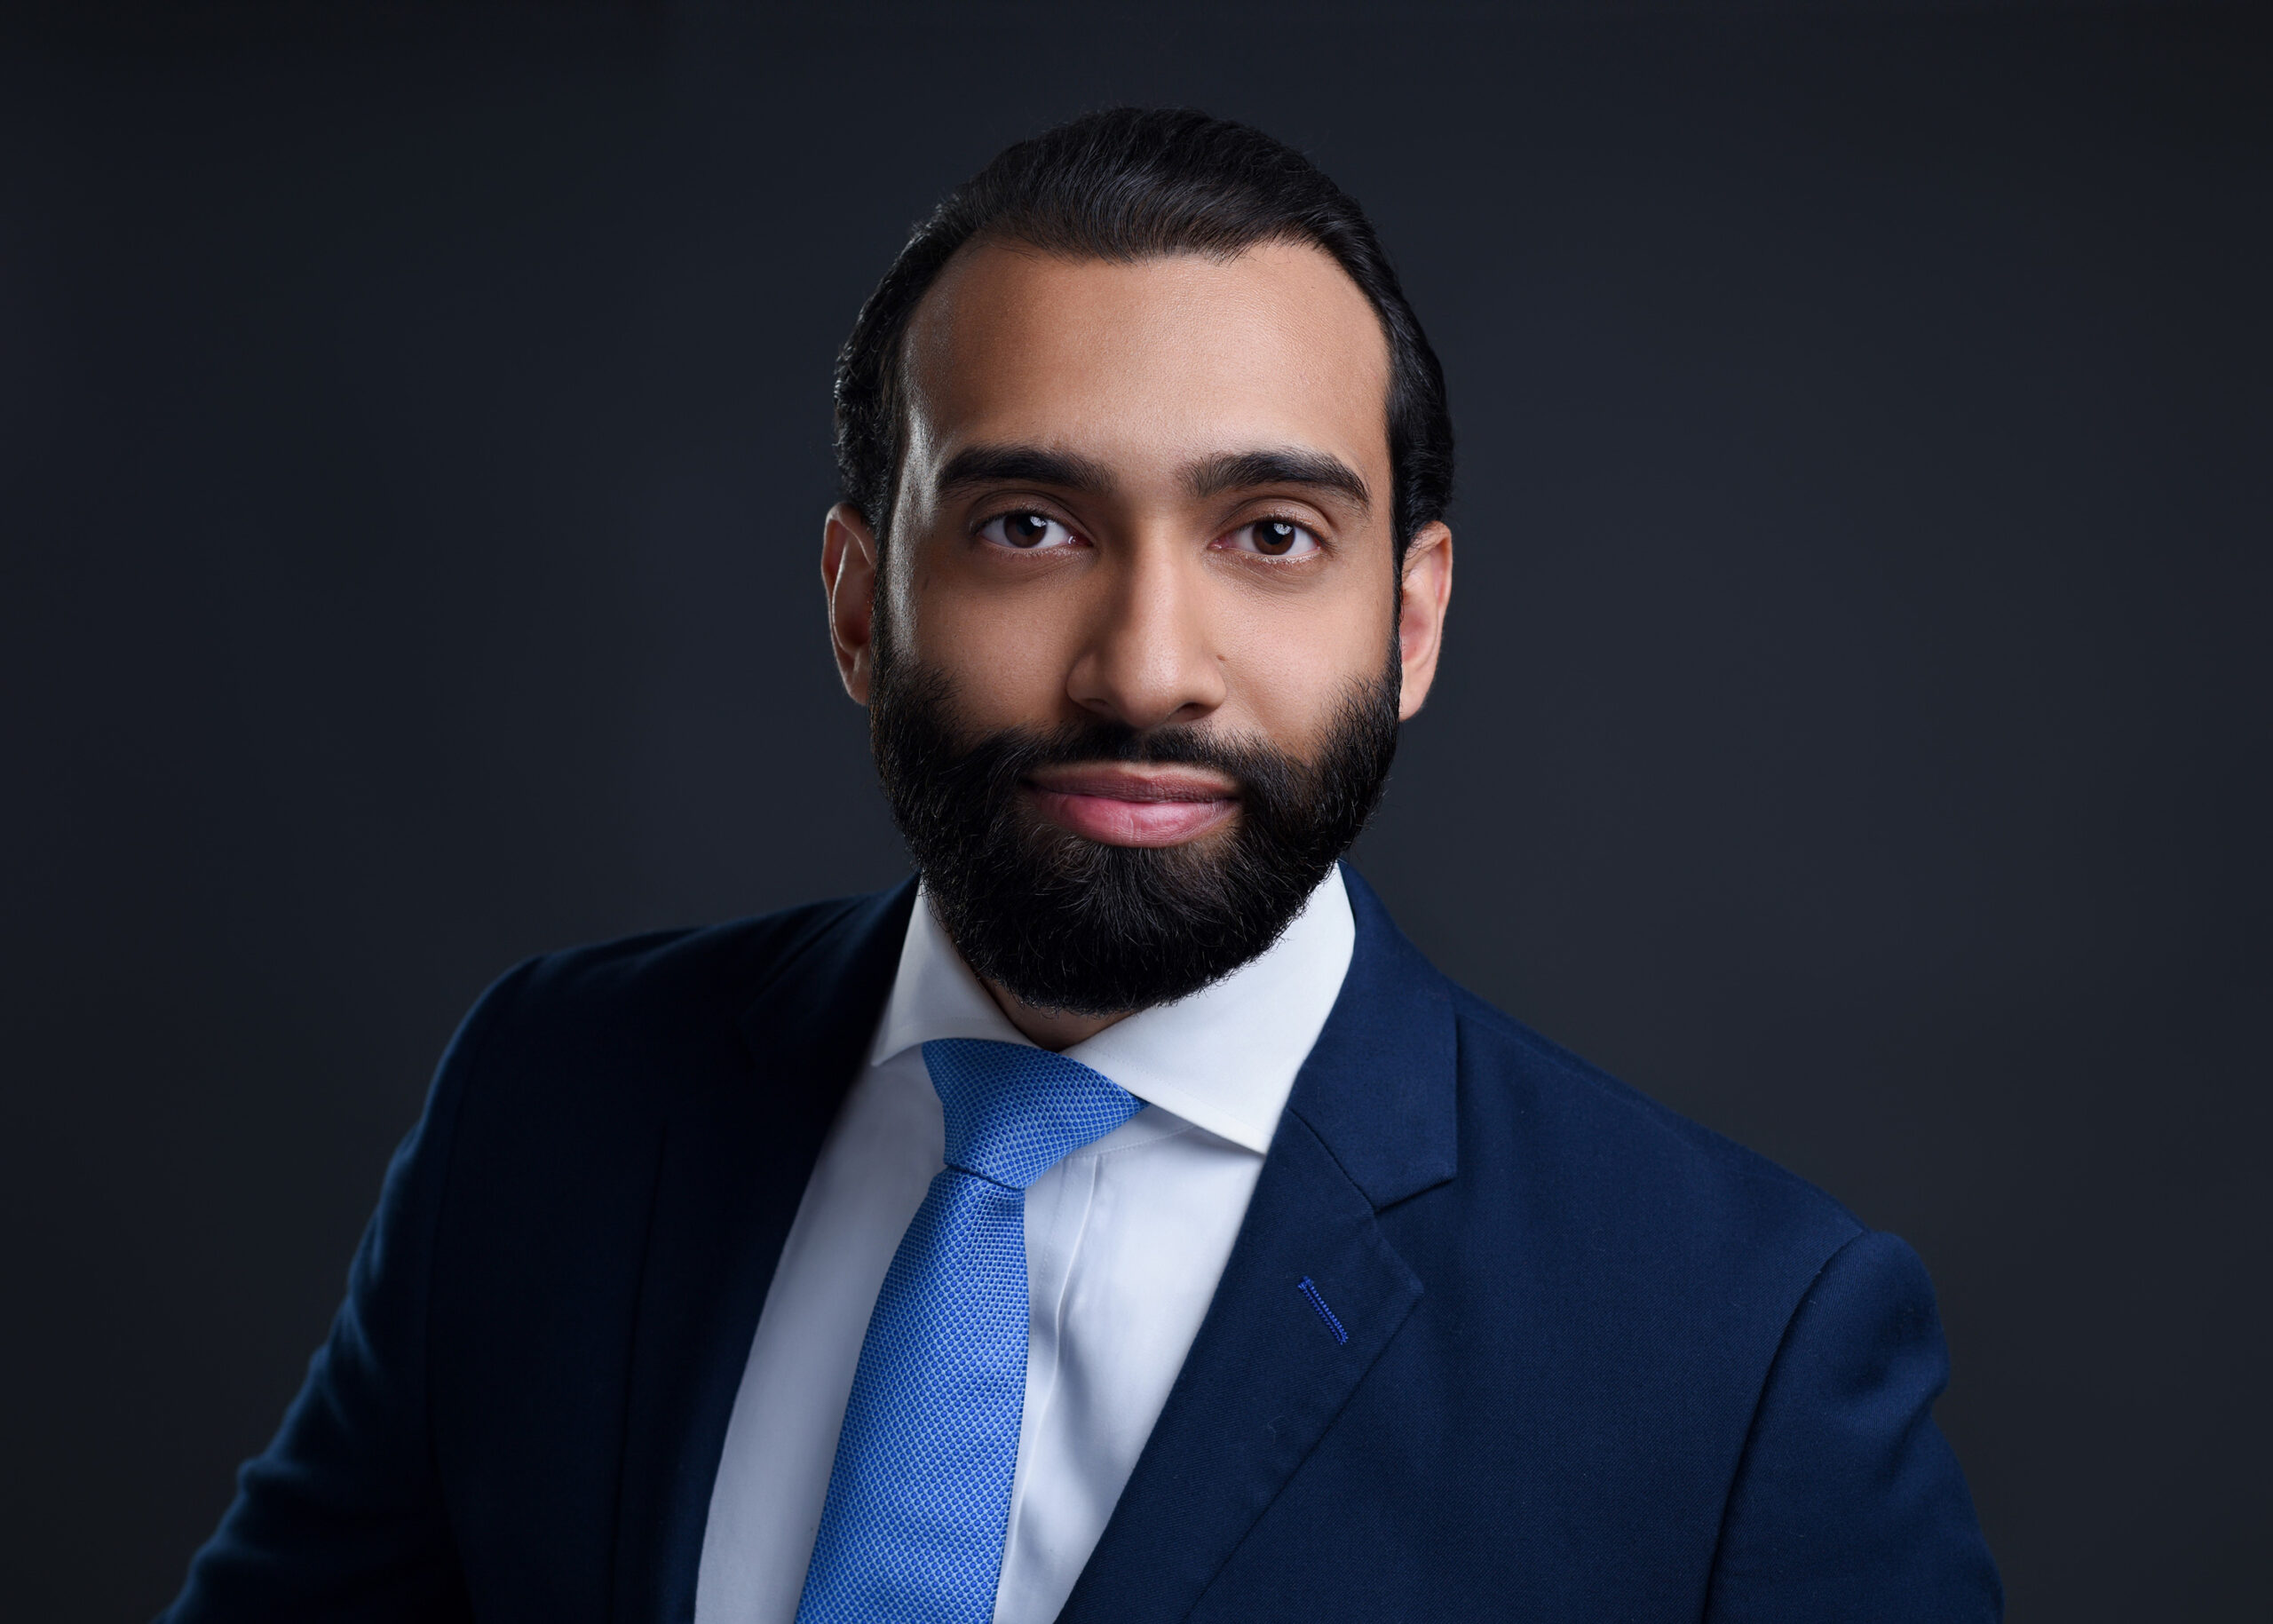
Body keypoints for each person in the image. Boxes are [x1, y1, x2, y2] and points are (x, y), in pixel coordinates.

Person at [162, 108, 2001, 1623]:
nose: (1142, 668)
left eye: (1270, 533)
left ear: (1412, 622)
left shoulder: (1735, 1350)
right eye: (1027, 526)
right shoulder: (552, 1104)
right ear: (854, 606)